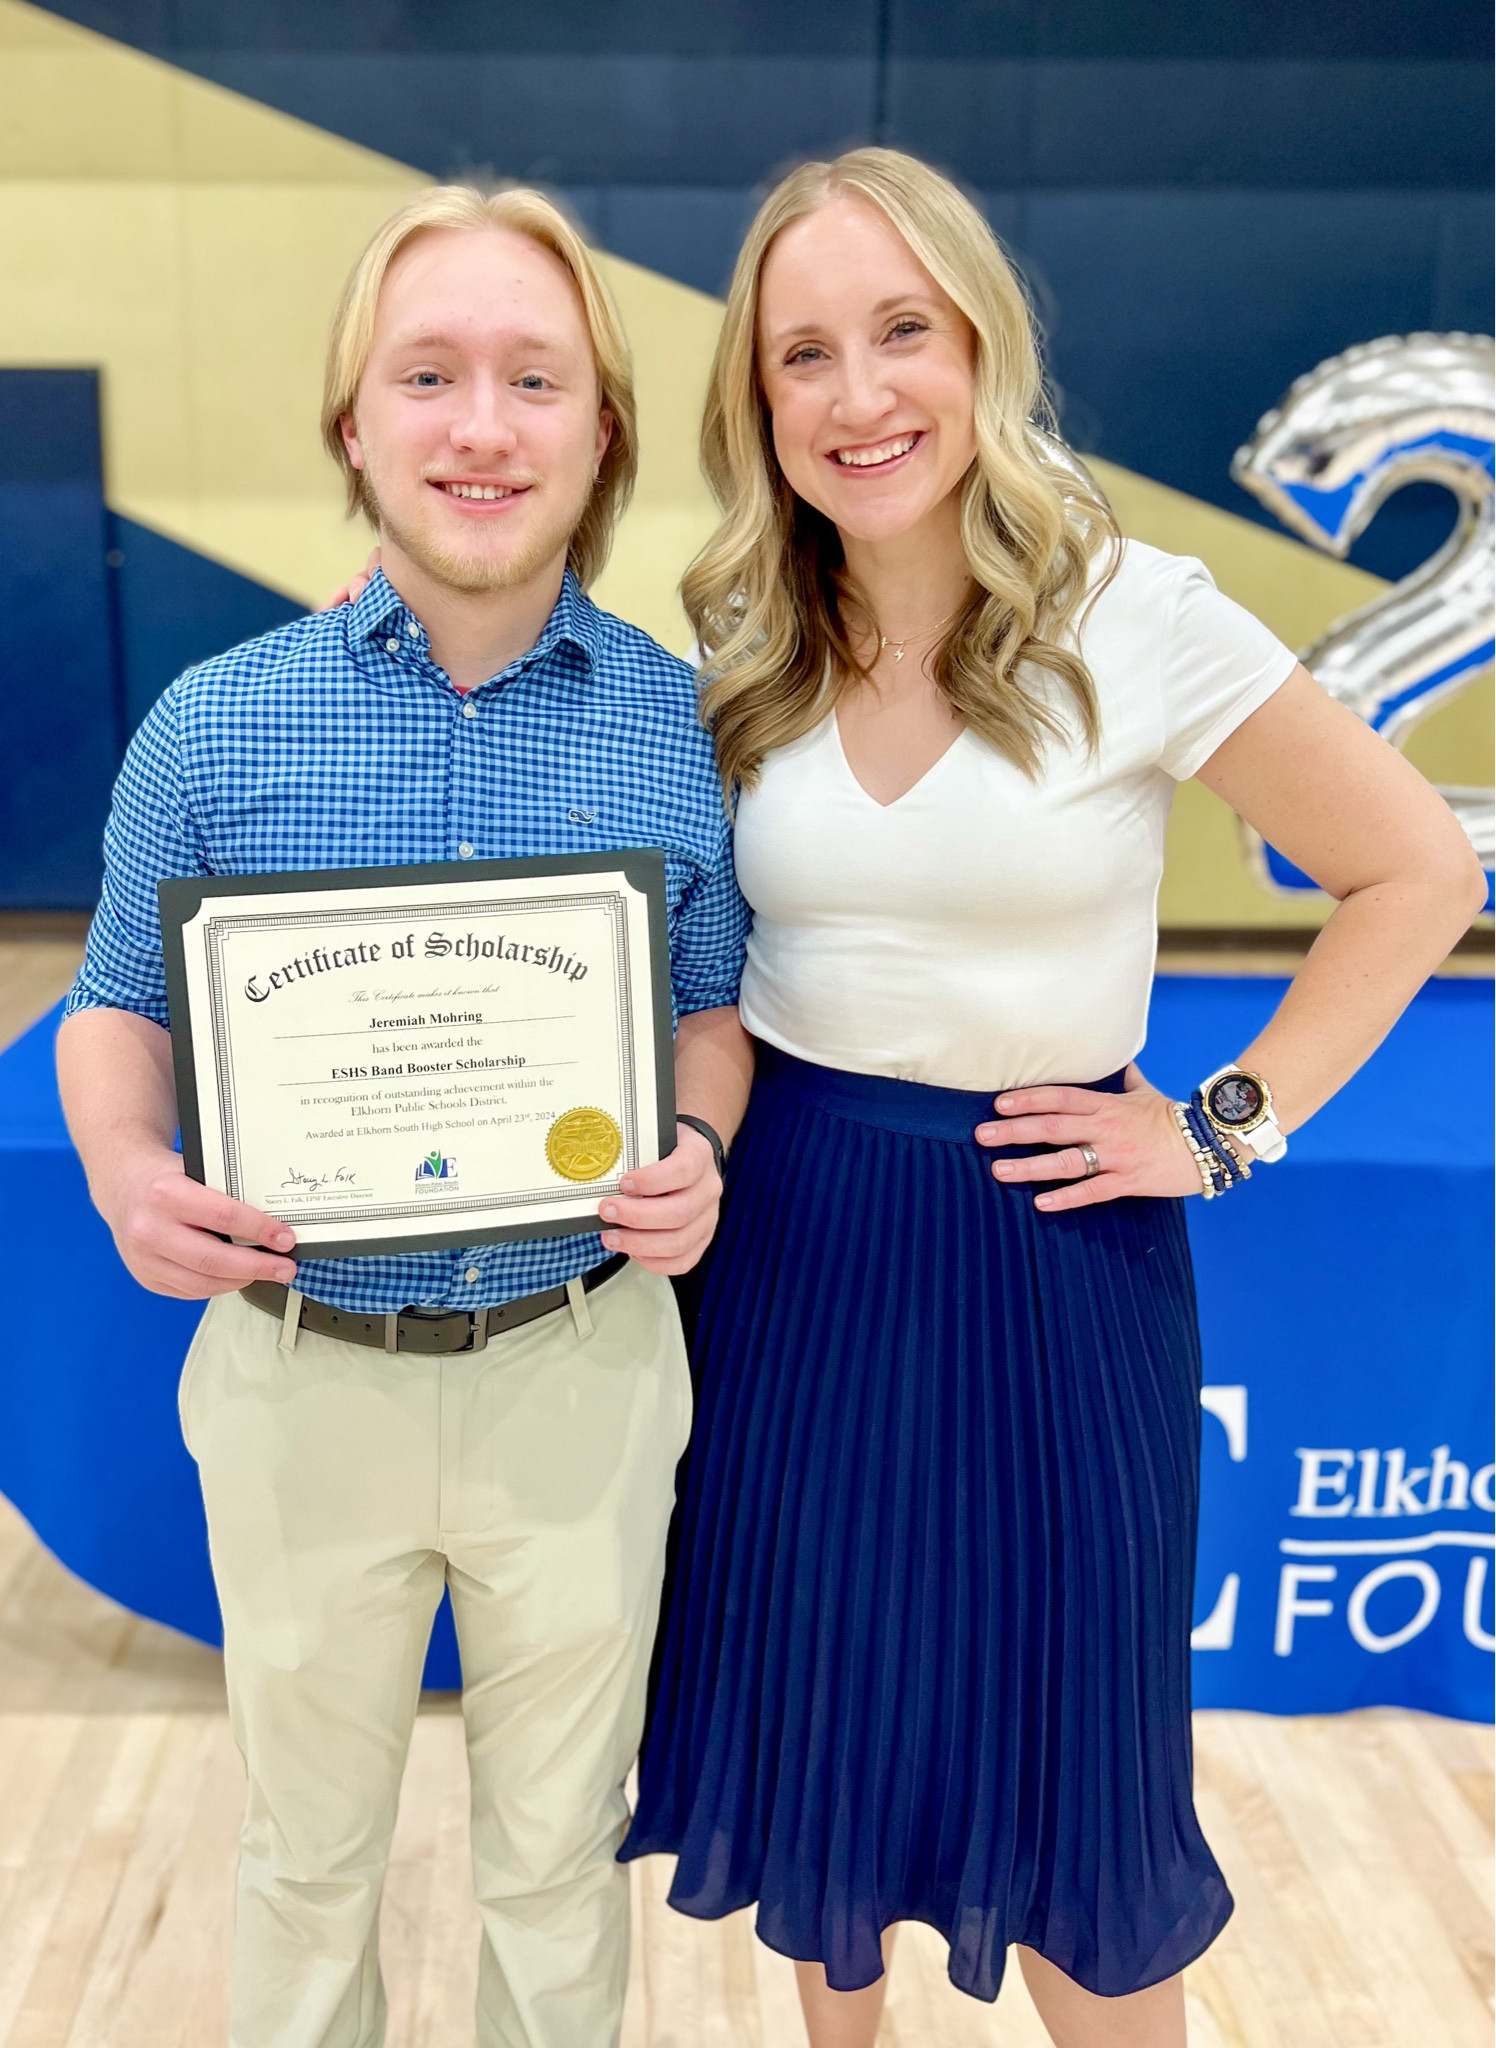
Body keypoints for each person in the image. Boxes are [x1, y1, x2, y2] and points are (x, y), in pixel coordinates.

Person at [615, 149, 1486, 2048]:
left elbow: (1416, 869)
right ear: (757, 402)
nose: (860, 397)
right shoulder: (740, 642)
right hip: (790, 1250)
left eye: (901, 333)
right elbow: (692, 960)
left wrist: (1221, 1125)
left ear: (980, 340)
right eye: (806, 355)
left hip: (1050, 1247)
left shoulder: (1135, 608)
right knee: (820, 1737)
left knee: (1081, 1788)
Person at [55, 184, 754, 2048]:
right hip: (302, 1372)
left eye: (536, 379)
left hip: (582, 1366)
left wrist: (700, 1149)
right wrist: (130, 1172)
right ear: (353, 423)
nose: (480, 423)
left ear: (600, 432)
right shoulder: (212, 725)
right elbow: (115, 1001)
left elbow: (710, 1006)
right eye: (427, 373)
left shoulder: (686, 730)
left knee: (553, 1858)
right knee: (303, 1854)